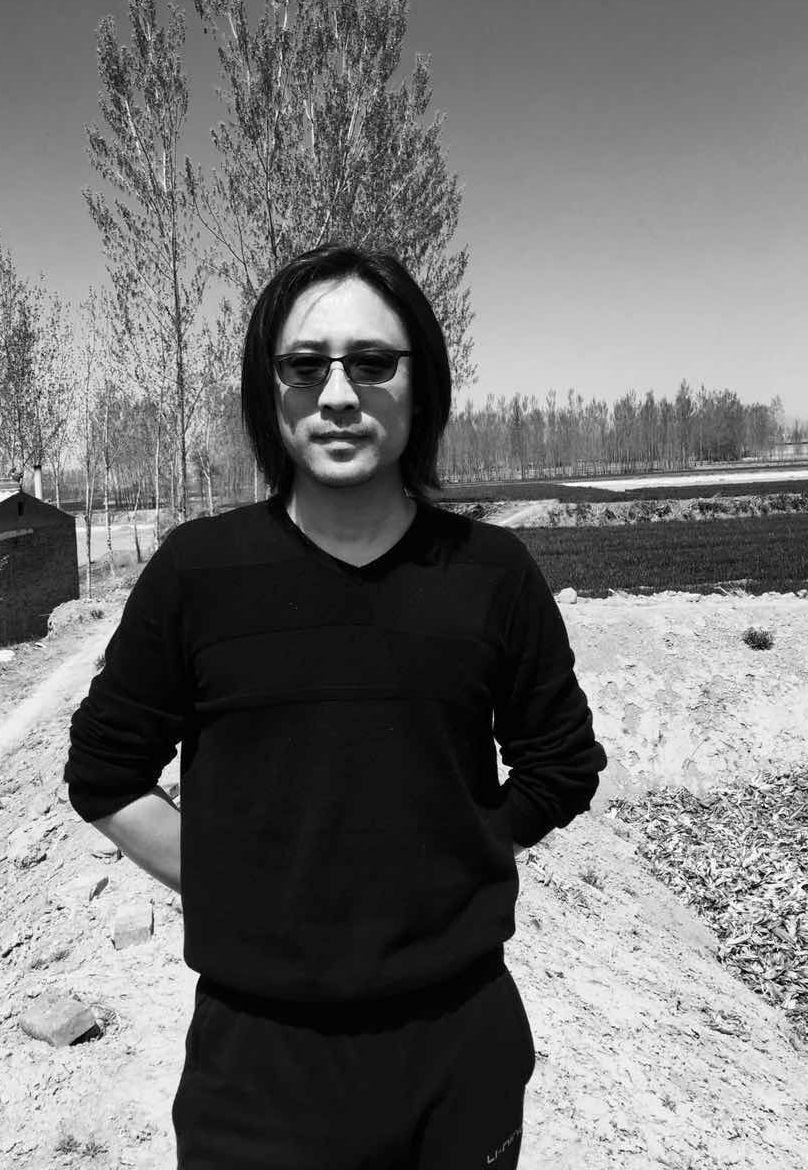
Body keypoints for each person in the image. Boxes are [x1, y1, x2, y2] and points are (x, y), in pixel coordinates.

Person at [63, 243, 607, 1170]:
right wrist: (238, 885)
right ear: (268, 389)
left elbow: (562, 763)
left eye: (373, 362)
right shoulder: (200, 573)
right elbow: (105, 772)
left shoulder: (490, 574)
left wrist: (460, 854)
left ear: (422, 384)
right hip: (258, 1063)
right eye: (306, 366)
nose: (340, 394)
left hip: (458, 1046)